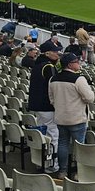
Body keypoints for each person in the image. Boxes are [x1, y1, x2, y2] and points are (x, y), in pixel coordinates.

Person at [49, 52, 95, 176]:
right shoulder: (79, 79)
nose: (78, 63)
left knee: (63, 144)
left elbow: (52, 99)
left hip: (61, 118)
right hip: (77, 119)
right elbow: (90, 98)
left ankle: (63, 171)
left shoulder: (53, 79)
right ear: (70, 65)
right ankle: (79, 172)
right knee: (79, 147)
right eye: (76, 62)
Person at [25, 39, 62, 171]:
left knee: (44, 135)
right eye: (55, 52)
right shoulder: (48, 67)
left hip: (37, 106)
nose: (58, 54)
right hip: (47, 106)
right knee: (53, 136)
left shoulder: (37, 65)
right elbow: (53, 87)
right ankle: (51, 165)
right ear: (47, 53)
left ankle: (41, 162)